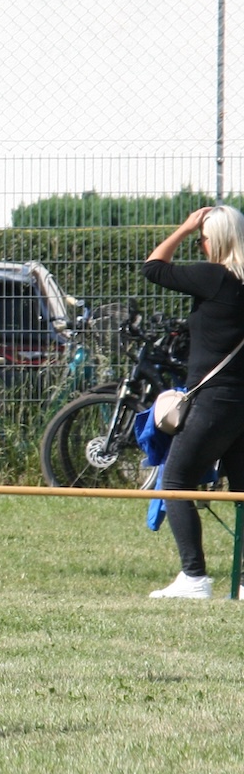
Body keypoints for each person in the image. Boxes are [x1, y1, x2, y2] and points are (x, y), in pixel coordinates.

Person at [143, 204, 244, 599]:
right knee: (241, 489)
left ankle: (194, 577)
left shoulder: (214, 277)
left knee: (177, 481)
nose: (200, 244)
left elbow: (153, 267)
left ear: (215, 239)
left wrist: (184, 226)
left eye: (203, 238)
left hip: (214, 400)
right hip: (241, 402)